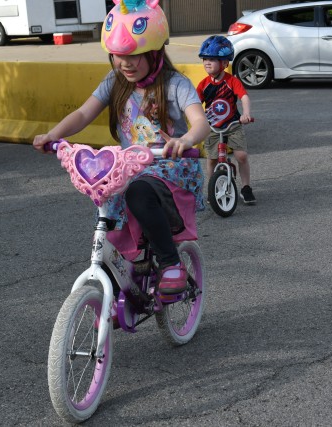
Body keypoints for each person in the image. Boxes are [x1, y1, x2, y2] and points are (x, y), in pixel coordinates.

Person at [33, 0, 210, 294]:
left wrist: (185, 140)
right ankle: (116, 283)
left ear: (156, 52)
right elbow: (82, 114)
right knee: (107, 204)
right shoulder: (115, 82)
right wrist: (52, 135)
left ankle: (170, 262)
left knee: (138, 192)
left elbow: (200, 122)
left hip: (170, 167)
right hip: (130, 166)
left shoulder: (176, 84)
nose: (125, 63)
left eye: (135, 55)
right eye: (118, 55)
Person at [196, 35, 256, 205]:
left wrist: (246, 113)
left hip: (233, 124)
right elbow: (194, 104)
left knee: (241, 155)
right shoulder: (204, 84)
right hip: (212, 126)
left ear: (224, 63)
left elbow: (243, 97)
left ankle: (245, 187)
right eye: (205, 59)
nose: (207, 63)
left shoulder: (231, 81)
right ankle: (212, 187)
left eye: (212, 59)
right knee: (212, 159)